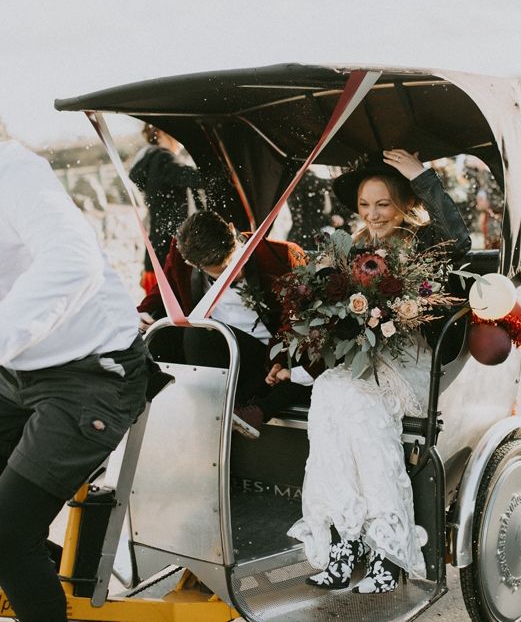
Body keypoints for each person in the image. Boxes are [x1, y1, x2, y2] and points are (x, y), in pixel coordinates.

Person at [286, 149, 470, 594]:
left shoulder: (423, 243)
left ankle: (387, 549)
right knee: (329, 396)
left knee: (354, 407)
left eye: (383, 204)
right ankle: (348, 539)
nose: (372, 214)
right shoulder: (353, 246)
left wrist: (422, 177)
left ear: (405, 203)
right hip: (363, 365)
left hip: (410, 364)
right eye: (365, 205)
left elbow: (458, 240)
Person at [0, 138, 149, 622]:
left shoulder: (14, 170)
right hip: (16, 369)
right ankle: (30, 577)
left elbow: (73, 259)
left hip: (91, 372)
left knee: (6, 533)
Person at [137, 210, 315, 438]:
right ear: (194, 263)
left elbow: (297, 320)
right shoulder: (182, 256)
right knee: (160, 335)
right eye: (221, 272)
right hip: (212, 355)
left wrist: (278, 360)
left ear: (232, 230)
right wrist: (143, 312)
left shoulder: (279, 255)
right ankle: (151, 405)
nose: (235, 273)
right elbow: (166, 290)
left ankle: (213, 417)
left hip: (265, 357)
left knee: (198, 333)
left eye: (233, 262)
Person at [130, 124, 206, 293]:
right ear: (162, 131)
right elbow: (197, 178)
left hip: (158, 250)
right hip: (170, 254)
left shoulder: (151, 161)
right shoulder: (163, 159)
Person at [286, 168, 348, 248]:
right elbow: (308, 218)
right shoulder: (303, 179)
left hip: (314, 236)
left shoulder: (316, 186)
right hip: (303, 237)